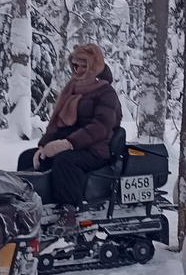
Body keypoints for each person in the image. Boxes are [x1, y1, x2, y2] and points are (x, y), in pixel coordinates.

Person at [17, 43, 122, 217]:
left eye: (84, 65)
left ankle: (70, 211)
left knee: (65, 161)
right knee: (27, 157)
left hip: (96, 148)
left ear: (94, 66)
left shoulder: (106, 92)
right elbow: (56, 122)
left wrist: (68, 143)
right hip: (70, 144)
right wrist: (44, 145)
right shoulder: (71, 88)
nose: (79, 69)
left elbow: (101, 127)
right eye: (75, 65)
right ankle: (25, 207)